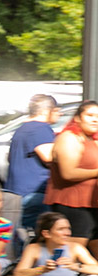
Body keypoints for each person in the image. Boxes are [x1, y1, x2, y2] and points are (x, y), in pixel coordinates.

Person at [44, 100, 98, 256]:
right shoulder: (69, 138)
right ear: (78, 118)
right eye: (90, 115)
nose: (95, 120)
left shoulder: (92, 139)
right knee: (72, 251)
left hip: (92, 202)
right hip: (72, 202)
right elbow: (68, 173)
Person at [6, 94, 60, 232]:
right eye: (56, 110)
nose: (59, 114)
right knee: (36, 238)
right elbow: (48, 157)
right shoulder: (40, 128)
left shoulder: (22, 129)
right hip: (34, 193)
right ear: (47, 111)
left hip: (17, 192)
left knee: (20, 235)